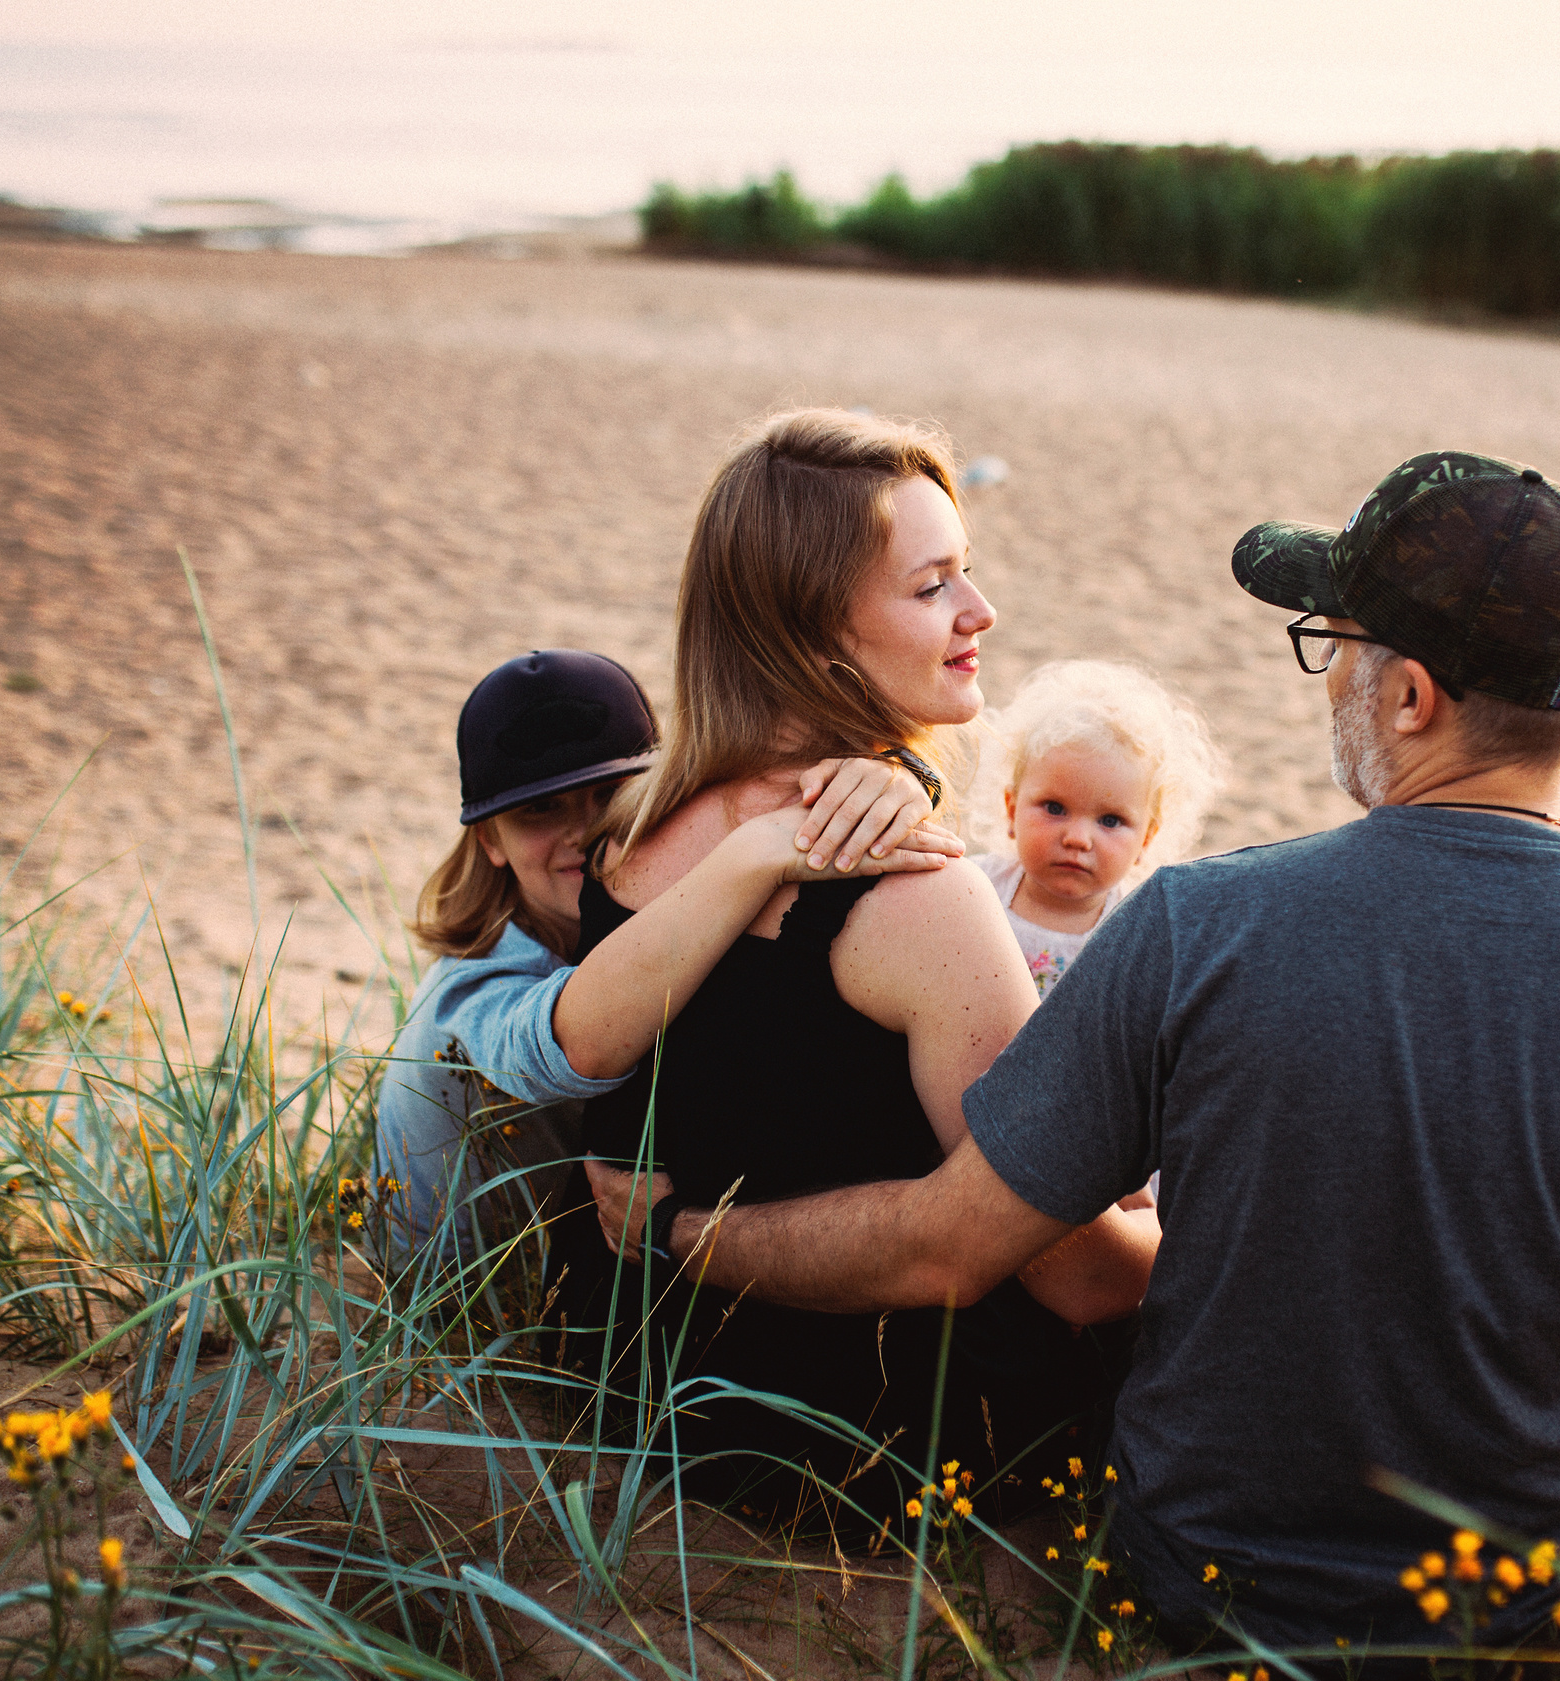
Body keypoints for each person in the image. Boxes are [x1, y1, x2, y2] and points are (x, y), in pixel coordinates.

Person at [596, 451, 1560, 1681]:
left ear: (1408, 696)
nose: (1330, 677)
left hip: (1201, 1584)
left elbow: (945, 1244)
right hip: (1541, 1623)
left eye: (1334, 645)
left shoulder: (1195, 926)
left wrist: (689, 1234)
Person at [559, 410, 1157, 1523]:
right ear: (810, 630)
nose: (980, 612)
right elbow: (1068, 1271)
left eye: (964, 574)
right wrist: (1196, 1235)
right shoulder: (919, 899)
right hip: (863, 1452)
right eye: (932, 586)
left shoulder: (635, 827)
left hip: (646, 1400)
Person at [377, 648, 952, 1262]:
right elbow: (557, 1053)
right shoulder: (473, 981)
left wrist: (891, 779)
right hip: (460, 1311)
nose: (582, 830)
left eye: (608, 793)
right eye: (539, 810)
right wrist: (750, 857)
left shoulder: (645, 907)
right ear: (490, 838)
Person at [968, 659, 1225, 998]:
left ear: (1146, 838)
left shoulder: (1139, 931)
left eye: (1110, 821)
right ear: (1011, 810)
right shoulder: (977, 890)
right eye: (1055, 808)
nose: (1077, 839)